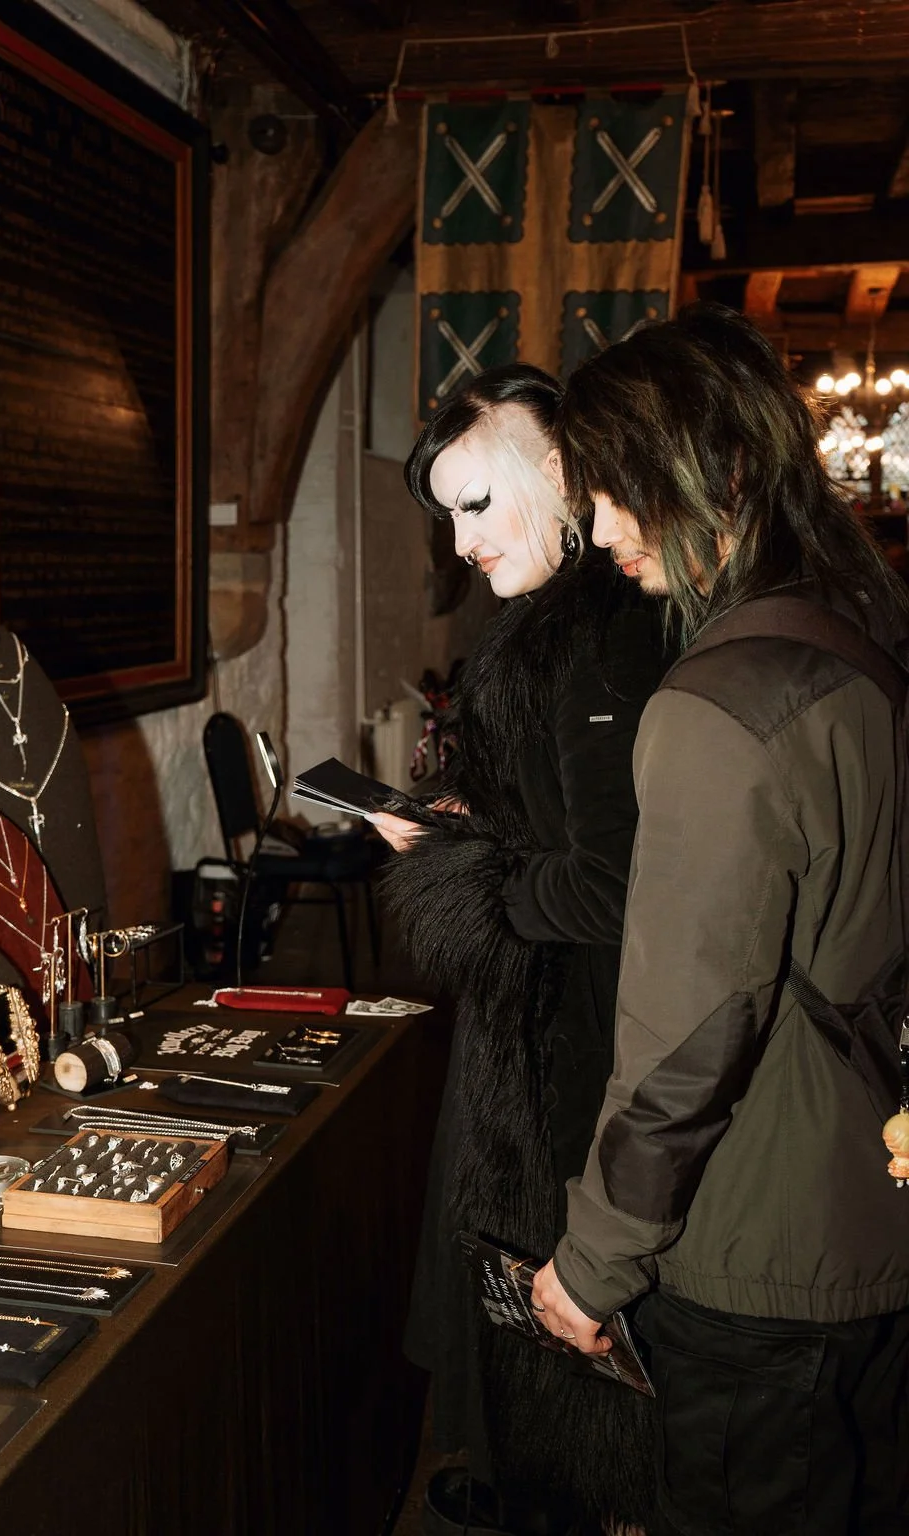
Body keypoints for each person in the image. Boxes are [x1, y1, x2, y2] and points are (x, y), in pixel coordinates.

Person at [530, 303, 909, 1535]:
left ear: (724, 470)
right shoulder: (858, 642)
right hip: (863, 1210)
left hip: (756, 1247)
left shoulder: (715, 703)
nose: (602, 529)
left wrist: (592, 1260)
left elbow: (687, 1038)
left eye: (618, 490)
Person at [372, 364, 669, 1535]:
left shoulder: (598, 636)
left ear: (556, 470)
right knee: (527, 1339)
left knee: (572, 1357)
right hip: (541, 1027)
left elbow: (615, 883)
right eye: (448, 516)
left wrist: (453, 867)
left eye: (477, 504)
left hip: (582, 1047)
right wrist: (464, 825)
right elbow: (557, 827)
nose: (461, 542)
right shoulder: (555, 628)